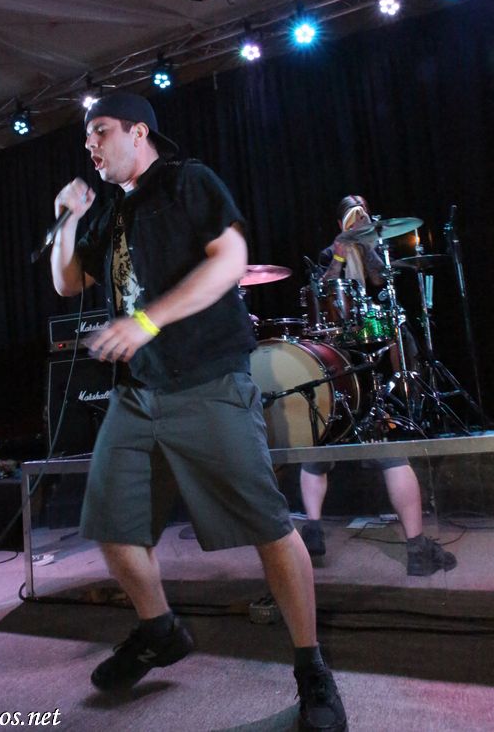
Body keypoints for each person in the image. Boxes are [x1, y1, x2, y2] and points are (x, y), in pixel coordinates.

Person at [51, 92, 347, 731]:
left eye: (101, 131)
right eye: (86, 137)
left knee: (269, 526)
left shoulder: (188, 181)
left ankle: (312, 667)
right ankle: (158, 630)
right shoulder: (110, 210)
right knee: (112, 523)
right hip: (137, 393)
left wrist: (146, 320)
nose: (90, 145)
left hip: (207, 378)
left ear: (138, 132)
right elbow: (68, 282)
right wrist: (68, 220)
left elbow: (231, 261)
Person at [300, 195, 457, 576]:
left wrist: (368, 246)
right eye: (354, 216)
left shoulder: (372, 250)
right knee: (333, 442)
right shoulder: (328, 253)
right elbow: (324, 290)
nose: (360, 221)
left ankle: (414, 548)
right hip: (338, 348)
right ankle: (318, 531)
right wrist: (340, 254)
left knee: (335, 437)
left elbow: (378, 282)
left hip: (370, 344)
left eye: (364, 216)